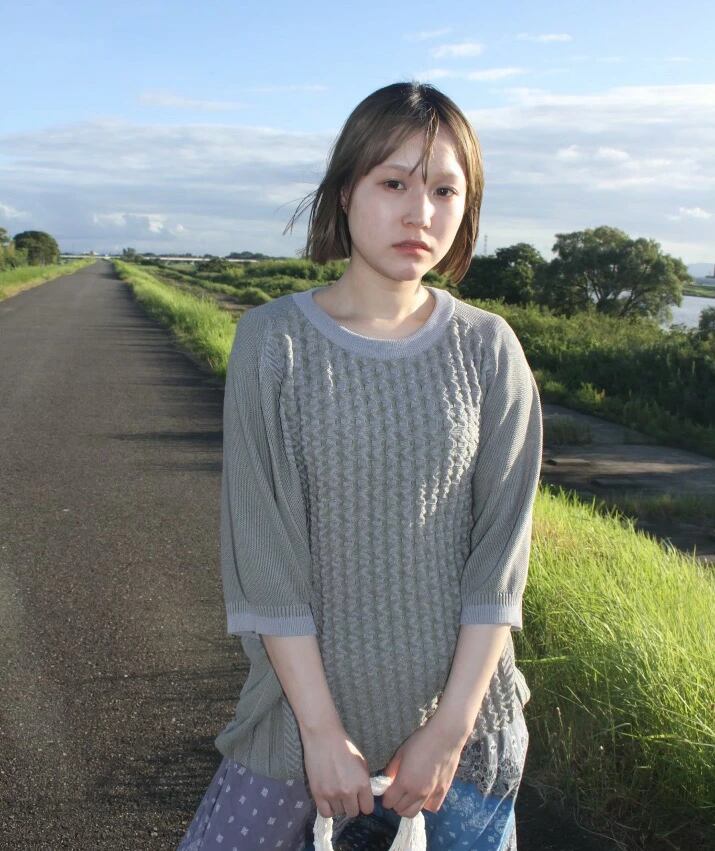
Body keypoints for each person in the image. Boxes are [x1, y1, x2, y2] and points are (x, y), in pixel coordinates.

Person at [177, 80, 542, 851]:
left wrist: (448, 730)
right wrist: (320, 733)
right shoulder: (272, 343)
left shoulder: (489, 349)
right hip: (295, 730)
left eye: (444, 190)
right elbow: (267, 563)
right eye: (394, 183)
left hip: (463, 741)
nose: (420, 213)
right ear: (345, 191)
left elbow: (498, 566)